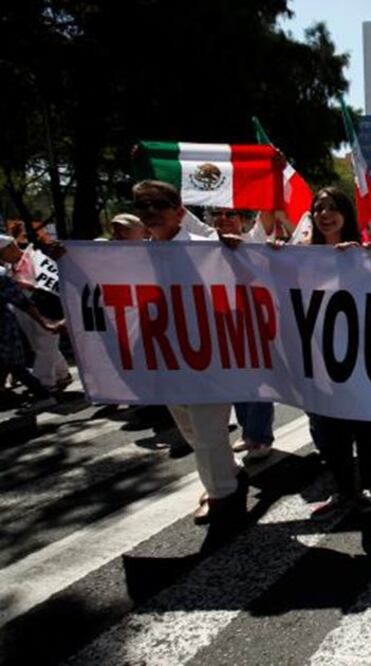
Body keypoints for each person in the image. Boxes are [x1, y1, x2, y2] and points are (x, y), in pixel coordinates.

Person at [132, 180, 249, 527]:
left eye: (158, 205)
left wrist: (240, 251)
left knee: (208, 429)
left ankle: (223, 497)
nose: (151, 213)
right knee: (193, 432)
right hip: (167, 357)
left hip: (210, 358)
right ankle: (228, 475)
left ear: (179, 211)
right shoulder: (130, 255)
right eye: (144, 207)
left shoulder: (211, 248)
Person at [282, 187, 371, 517]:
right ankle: (343, 490)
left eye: (333, 207)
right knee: (329, 433)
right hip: (318, 361)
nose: (325, 214)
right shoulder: (299, 256)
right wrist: (267, 253)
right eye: (318, 208)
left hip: (359, 360)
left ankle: (369, 485)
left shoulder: (365, 253)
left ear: (347, 214)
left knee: (364, 429)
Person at [208, 207, 278, 464]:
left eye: (231, 215)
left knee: (258, 383)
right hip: (224, 325)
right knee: (236, 382)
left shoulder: (254, 240)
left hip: (256, 325)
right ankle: (249, 432)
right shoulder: (205, 243)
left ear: (245, 221)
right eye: (219, 214)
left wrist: (270, 173)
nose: (224, 219)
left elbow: (268, 212)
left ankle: (261, 437)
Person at [0, 234, 63, 415]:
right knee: (39, 344)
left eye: (2, 252)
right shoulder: (8, 266)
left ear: (11, 247)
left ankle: (45, 385)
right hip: (23, 311)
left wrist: (28, 286)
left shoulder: (36, 259)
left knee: (45, 342)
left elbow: (48, 283)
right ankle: (61, 374)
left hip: (44, 307)